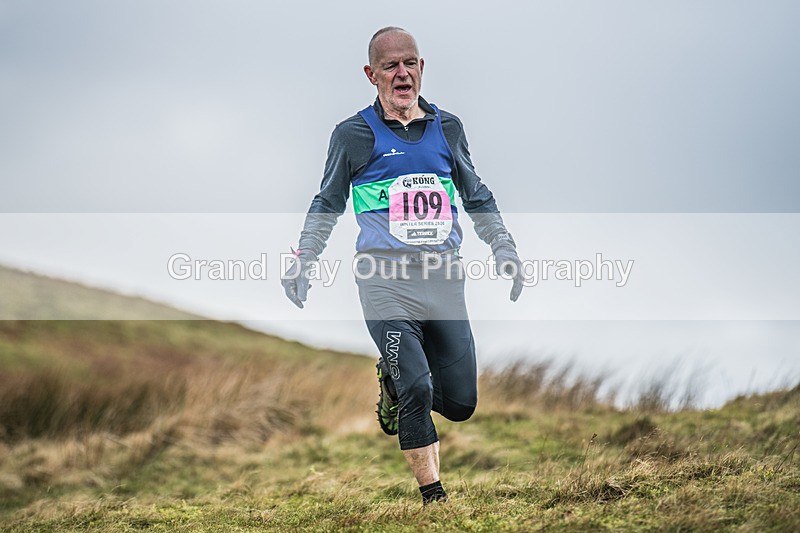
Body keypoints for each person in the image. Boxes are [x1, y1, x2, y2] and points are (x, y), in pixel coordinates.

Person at [282, 26, 524, 506]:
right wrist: (304, 257)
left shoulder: (447, 128)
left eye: (409, 63)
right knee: (417, 386)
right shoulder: (352, 135)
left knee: (459, 403)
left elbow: (476, 194)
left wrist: (504, 247)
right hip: (383, 280)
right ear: (371, 75)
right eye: (390, 66)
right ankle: (433, 496)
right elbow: (326, 202)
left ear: (421, 69)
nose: (401, 73)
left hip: (444, 279)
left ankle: (393, 384)